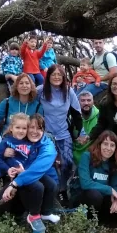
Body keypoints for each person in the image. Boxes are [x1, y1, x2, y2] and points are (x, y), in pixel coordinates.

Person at [0, 114, 59, 233]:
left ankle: (38, 217)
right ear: (12, 128)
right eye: (30, 128)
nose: (33, 131)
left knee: (47, 184)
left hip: (26, 177)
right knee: (33, 187)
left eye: (38, 128)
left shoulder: (43, 145)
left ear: (44, 131)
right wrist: (5, 162)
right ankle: (26, 216)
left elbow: (35, 167)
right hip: (14, 177)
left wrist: (20, 177)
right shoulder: (9, 142)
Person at [71, 131, 117, 226]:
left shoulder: (114, 163)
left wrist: (116, 200)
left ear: (115, 148)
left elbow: (115, 186)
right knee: (95, 195)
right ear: (99, 144)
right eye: (105, 144)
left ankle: (101, 220)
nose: (108, 148)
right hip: (82, 197)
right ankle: (88, 221)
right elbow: (86, 184)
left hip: (103, 199)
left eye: (112, 145)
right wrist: (110, 190)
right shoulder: (87, 156)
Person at [37, 64, 81, 196]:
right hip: (46, 134)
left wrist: (79, 132)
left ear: (63, 77)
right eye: (53, 74)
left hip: (63, 132)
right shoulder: (41, 90)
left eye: (59, 74)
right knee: (49, 162)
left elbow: (77, 113)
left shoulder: (68, 91)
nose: (56, 77)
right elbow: (28, 100)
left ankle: (63, 189)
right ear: (48, 76)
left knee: (67, 162)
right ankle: (52, 190)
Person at [89, 73, 117, 192]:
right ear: (110, 86)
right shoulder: (105, 103)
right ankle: (109, 189)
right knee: (112, 164)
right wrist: (89, 136)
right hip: (112, 139)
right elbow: (101, 123)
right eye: (114, 84)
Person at [72, 90, 99, 165]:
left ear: (93, 101)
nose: (86, 103)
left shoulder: (99, 116)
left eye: (89, 100)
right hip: (73, 153)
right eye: (83, 100)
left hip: (92, 154)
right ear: (78, 102)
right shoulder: (71, 116)